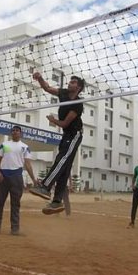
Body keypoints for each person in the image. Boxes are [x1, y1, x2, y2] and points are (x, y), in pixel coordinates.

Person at [29, 72, 84, 215]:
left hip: (74, 135)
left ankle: (45, 187)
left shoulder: (78, 104)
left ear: (78, 87)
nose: (69, 83)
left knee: (62, 160)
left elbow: (65, 123)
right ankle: (57, 201)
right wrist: (40, 78)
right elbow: (47, 88)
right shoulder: (64, 93)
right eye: (70, 81)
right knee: (64, 168)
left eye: (73, 82)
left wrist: (53, 121)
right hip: (66, 135)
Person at [0, 125, 37, 235]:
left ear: (21, 133)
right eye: (13, 131)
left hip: (17, 177)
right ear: (11, 133)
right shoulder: (4, 145)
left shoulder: (25, 147)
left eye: (17, 131)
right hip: (3, 176)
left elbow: (28, 164)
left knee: (15, 203)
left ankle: (15, 229)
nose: (15, 132)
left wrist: (34, 179)